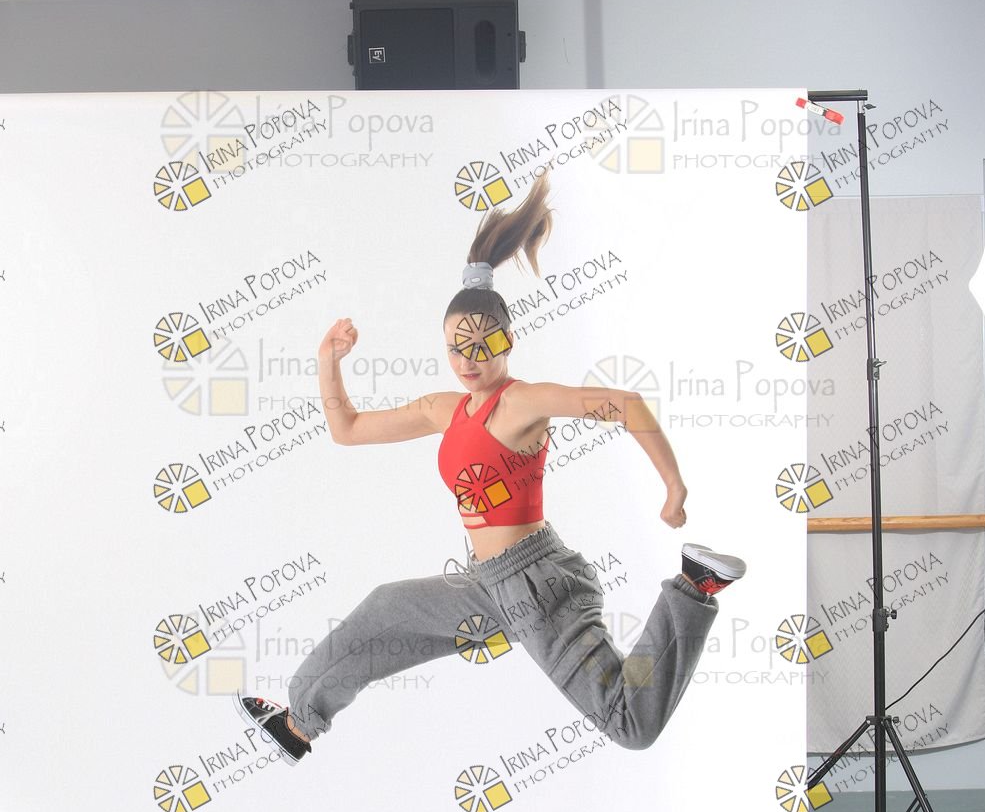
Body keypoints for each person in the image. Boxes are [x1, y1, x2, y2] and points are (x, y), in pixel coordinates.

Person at [233, 169, 745, 765]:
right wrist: (329, 360)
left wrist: (673, 486)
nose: (468, 359)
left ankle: (694, 586)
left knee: (628, 723)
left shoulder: (520, 403)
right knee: (384, 610)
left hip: (533, 584)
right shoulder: (445, 409)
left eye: (483, 345)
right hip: (485, 584)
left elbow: (625, 404)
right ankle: (297, 723)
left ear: (508, 340)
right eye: (457, 346)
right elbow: (346, 429)